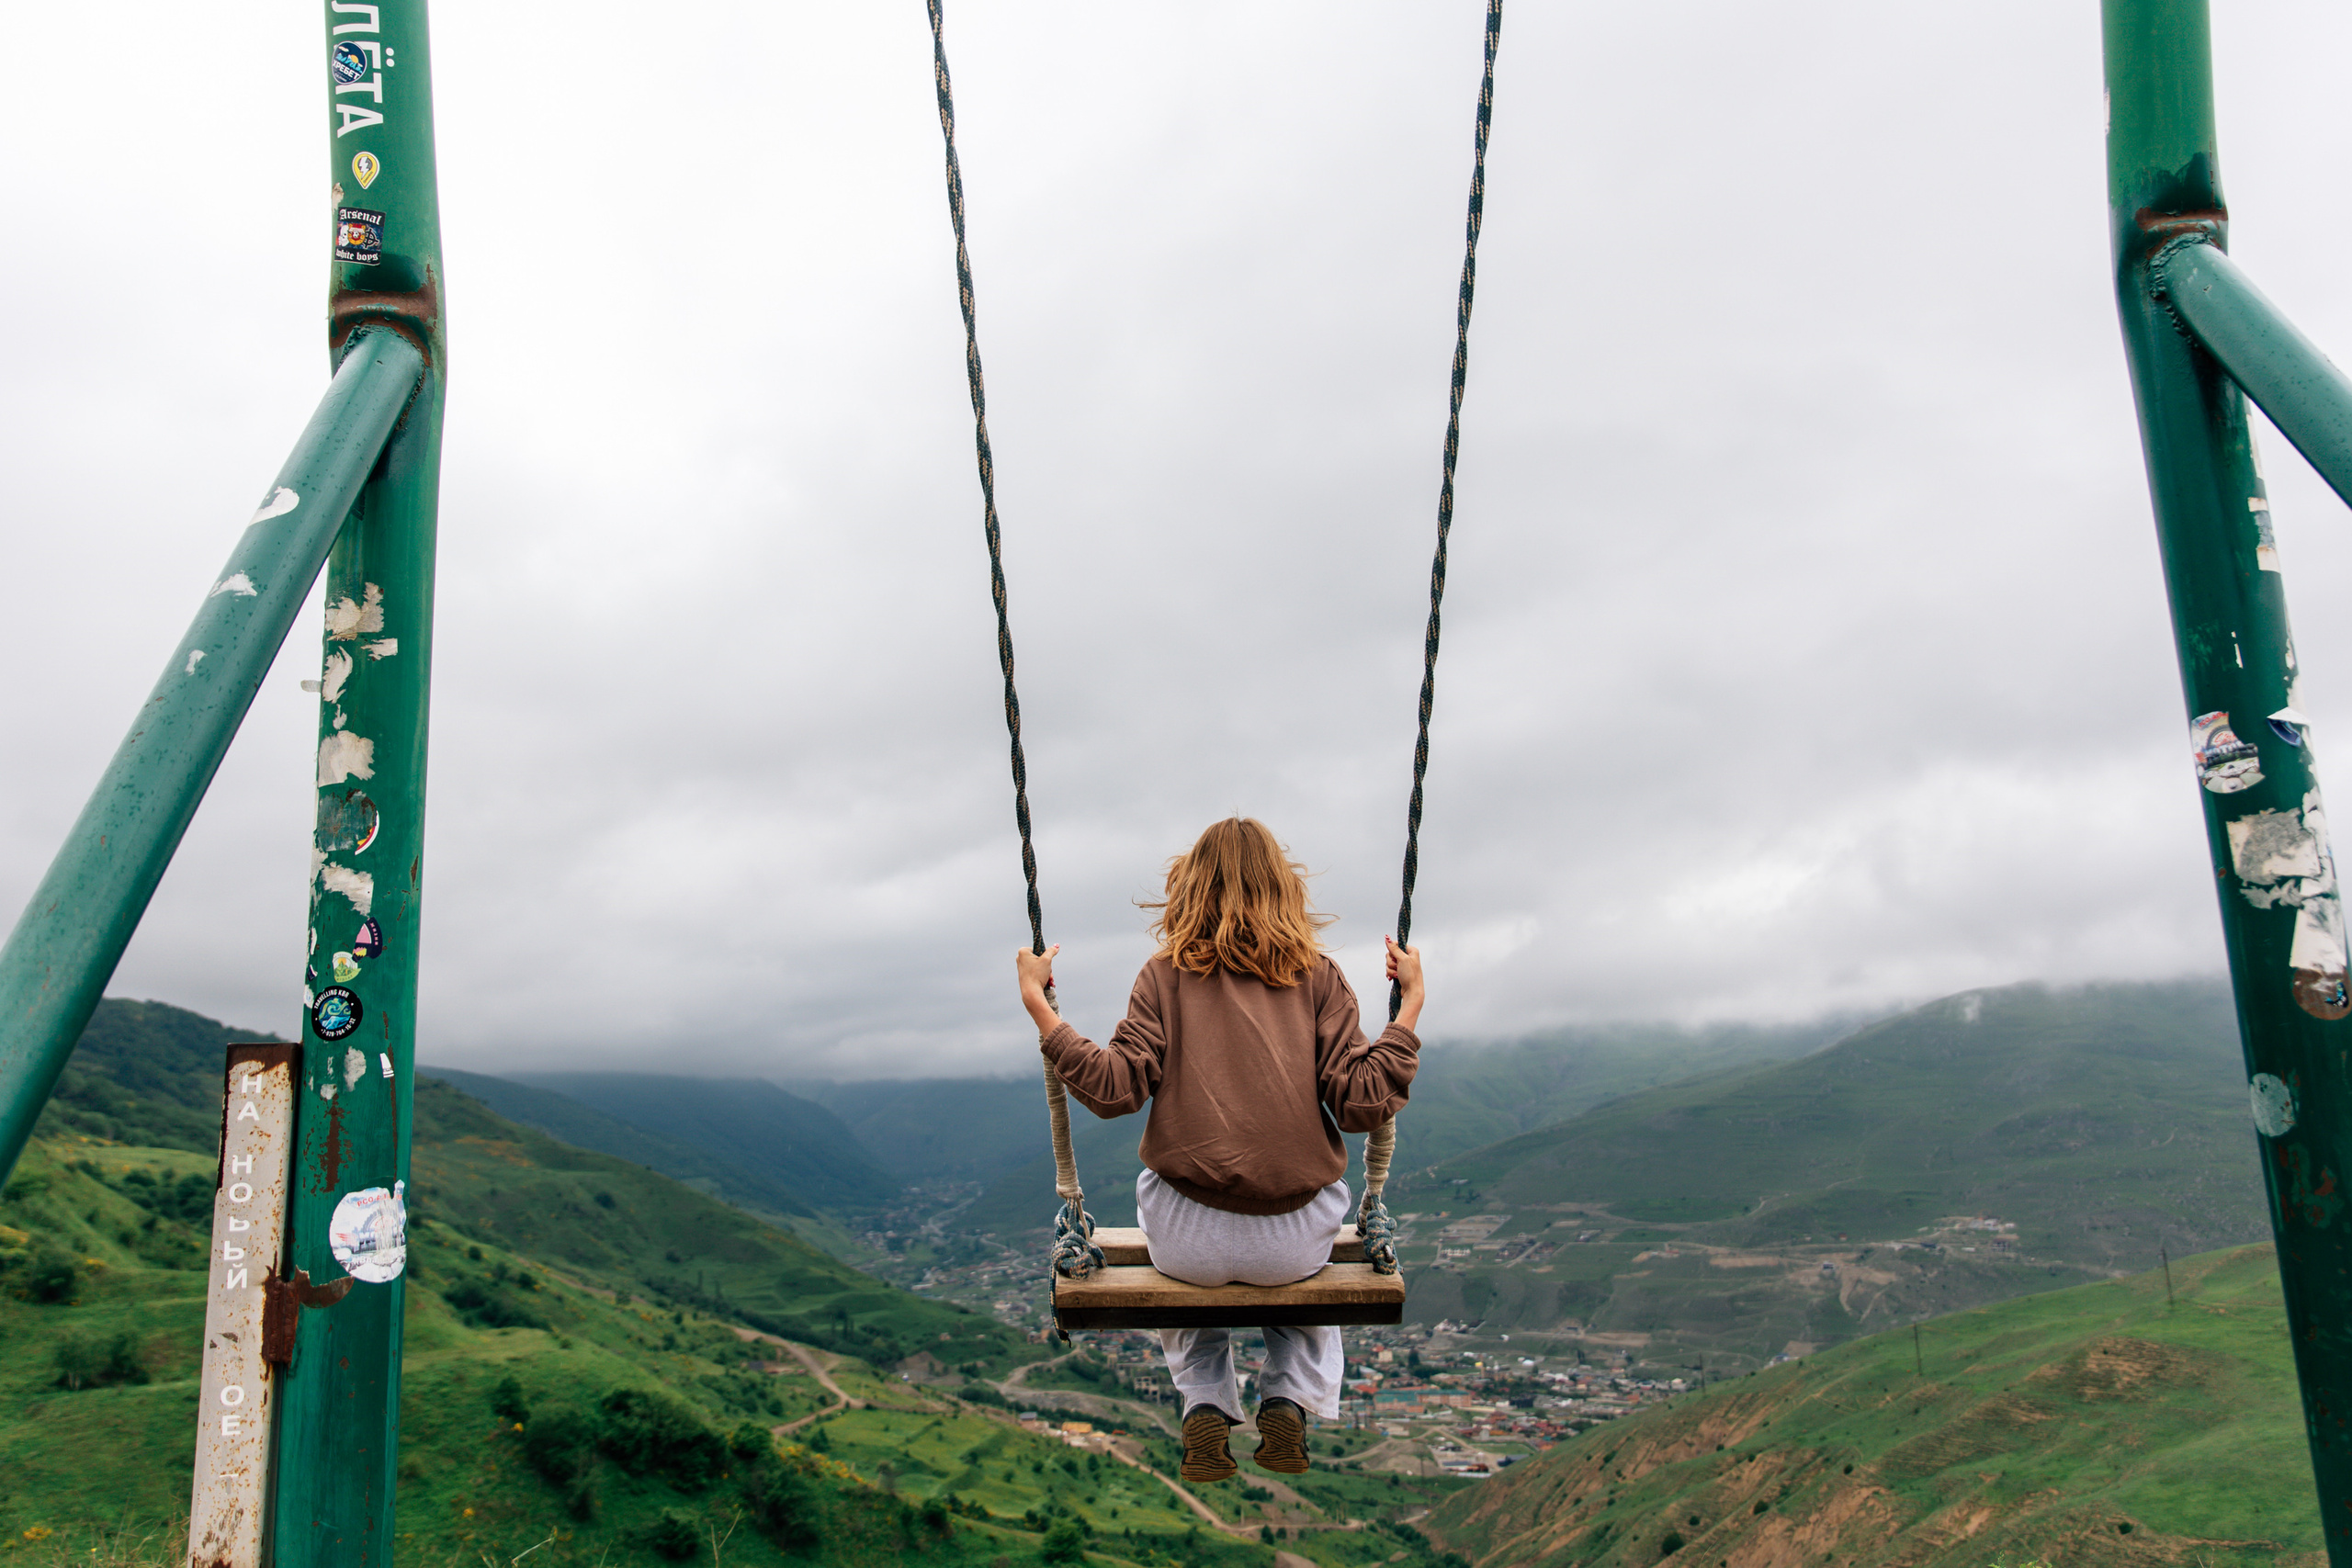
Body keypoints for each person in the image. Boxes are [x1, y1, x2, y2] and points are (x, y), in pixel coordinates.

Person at [1014, 817, 1424, 1482]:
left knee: (1183, 1274)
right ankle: (1287, 1396)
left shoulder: (1163, 976)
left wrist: (1042, 1007)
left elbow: (1115, 1088)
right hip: (1293, 1241)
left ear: (1188, 890)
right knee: (1312, 1285)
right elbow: (1362, 1102)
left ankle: (1205, 1402)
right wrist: (1409, 1007)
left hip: (1188, 1241)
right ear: (1283, 890)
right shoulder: (1319, 978)